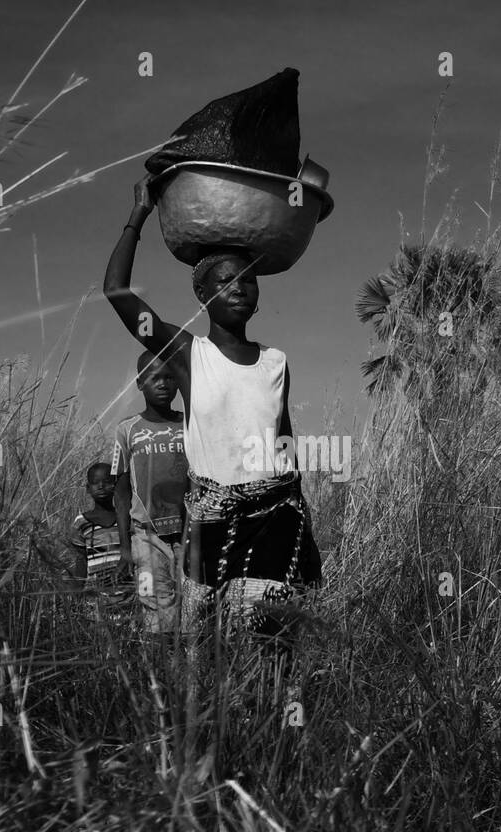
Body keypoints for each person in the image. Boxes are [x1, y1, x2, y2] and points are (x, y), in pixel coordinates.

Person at [101, 174, 321, 676]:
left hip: (276, 512)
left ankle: (276, 731)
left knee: (274, 639)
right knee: (207, 640)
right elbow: (116, 290)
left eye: (248, 279)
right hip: (213, 514)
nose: (239, 289)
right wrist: (139, 213)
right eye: (224, 281)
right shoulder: (186, 354)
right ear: (201, 293)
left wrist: (304, 531)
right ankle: (212, 738)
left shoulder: (276, 361)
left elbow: (283, 444)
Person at [113, 350, 189, 633]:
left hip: (189, 534)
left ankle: (192, 673)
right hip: (146, 537)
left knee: (193, 611)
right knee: (156, 613)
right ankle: (160, 674)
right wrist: (124, 547)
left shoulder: (190, 425)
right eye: (154, 378)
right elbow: (120, 492)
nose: (163, 384)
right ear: (139, 383)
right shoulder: (126, 431)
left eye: (170, 377)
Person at [69, 461, 123, 587]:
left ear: (116, 485)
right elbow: (81, 560)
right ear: (88, 488)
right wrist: (77, 592)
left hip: (127, 592)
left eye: (107, 481)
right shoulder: (81, 522)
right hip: (95, 596)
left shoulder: (126, 518)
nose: (101, 486)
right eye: (95, 482)